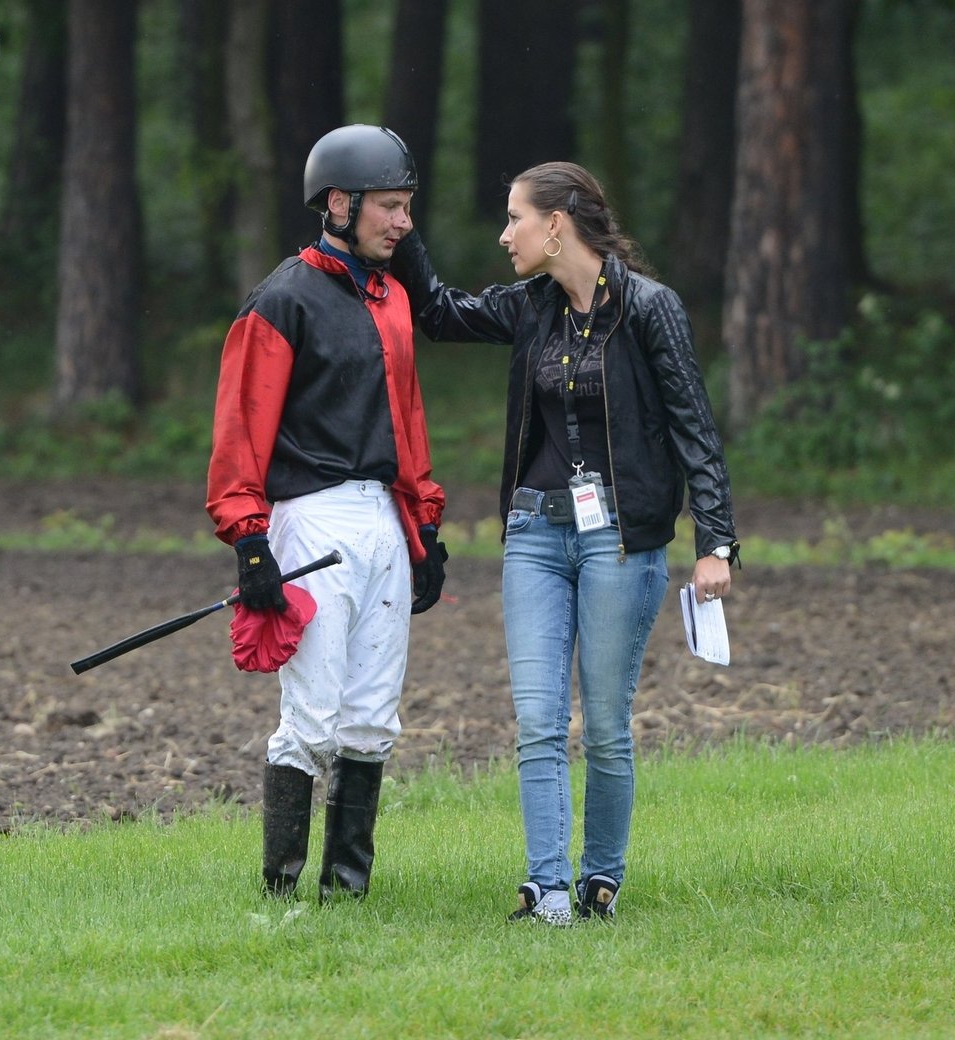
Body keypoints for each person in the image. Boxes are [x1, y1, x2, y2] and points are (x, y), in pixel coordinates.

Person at [391, 161, 739, 924]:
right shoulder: (530, 306)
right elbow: (442, 313)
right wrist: (404, 232)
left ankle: (600, 880)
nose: (504, 233)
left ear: (557, 226)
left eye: (515, 217)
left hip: (622, 541)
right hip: (534, 535)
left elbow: (695, 430)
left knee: (606, 726)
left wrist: (716, 541)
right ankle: (546, 887)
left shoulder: (650, 308)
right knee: (539, 719)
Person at [206, 124, 447, 903]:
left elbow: (407, 422)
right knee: (311, 714)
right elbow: (242, 429)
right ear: (338, 205)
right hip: (309, 521)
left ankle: (348, 890)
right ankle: (279, 887)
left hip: (381, 519)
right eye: (389, 206)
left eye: (408, 206)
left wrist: (425, 526)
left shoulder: (395, 298)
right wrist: (249, 544)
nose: (403, 222)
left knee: (373, 713)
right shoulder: (281, 299)